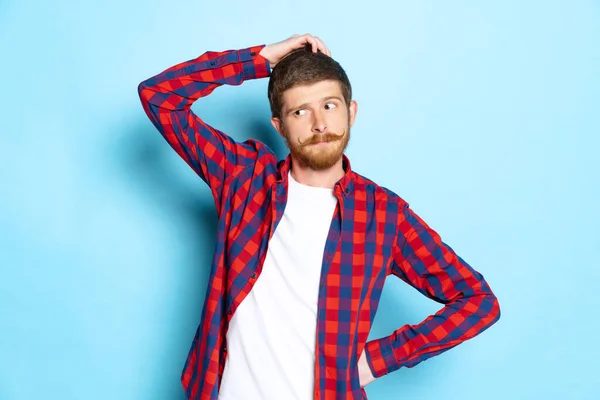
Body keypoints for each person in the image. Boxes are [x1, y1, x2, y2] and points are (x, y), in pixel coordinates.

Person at [137, 34, 500, 400]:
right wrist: (260, 58)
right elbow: (159, 97)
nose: (319, 124)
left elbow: (478, 301)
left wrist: (377, 360)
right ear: (279, 126)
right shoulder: (244, 179)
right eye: (300, 111)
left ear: (351, 111)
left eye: (329, 106)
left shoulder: (384, 216)